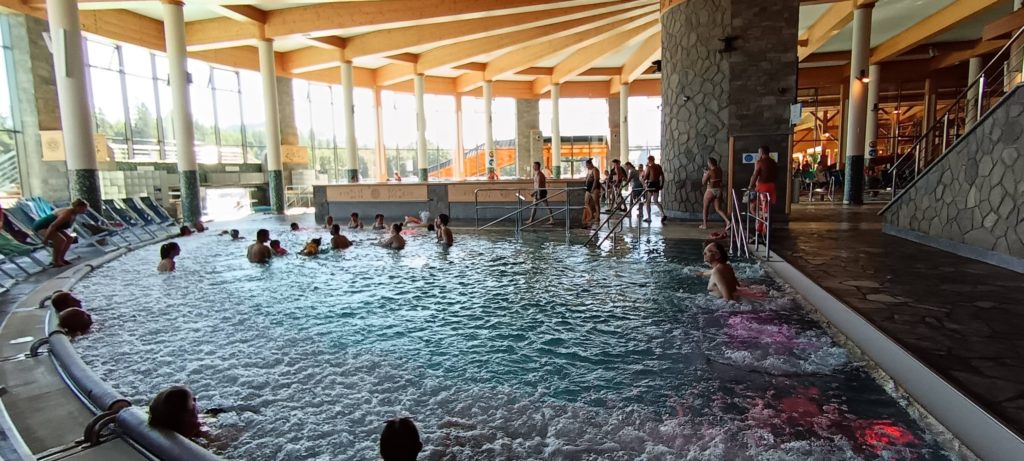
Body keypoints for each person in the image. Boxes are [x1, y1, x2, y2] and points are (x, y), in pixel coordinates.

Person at [32, 199, 89, 267]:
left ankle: (61, 259)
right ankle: (55, 261)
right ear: (79, 207)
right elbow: (52, 225)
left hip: (55, 228)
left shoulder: (74, 213)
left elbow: (64, 227)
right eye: (85, 209)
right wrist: (45, 240)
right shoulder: (67, 213)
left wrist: (71, 234)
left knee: (70, 238)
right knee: (61, 240)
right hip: (42, 226)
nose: (86, 211)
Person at [748, 146, 778, 235]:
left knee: (753, 207)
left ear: (761, 152)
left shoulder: (760, 162)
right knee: (766, 210)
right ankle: (763, 228)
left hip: (762, 187)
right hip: (771, 186)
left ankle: (761, 225)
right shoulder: (773, 162)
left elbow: (755, 175)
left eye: (759, 152)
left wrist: (750, 186)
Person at [700, 158, 729, 230]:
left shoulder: (710, 172)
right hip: (718, 190)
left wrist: (705, 174)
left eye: (708, 163)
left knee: (705, 208)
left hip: (710, 190)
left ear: (710, 163)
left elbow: (703, 182)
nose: (707, 164)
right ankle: (728, 221)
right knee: (718, 208)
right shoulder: (719, 170)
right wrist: (708, 173)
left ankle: (705, 225)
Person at [642, 156, 666, 223]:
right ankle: (663, 214)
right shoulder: (658, 166)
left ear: (649, 160)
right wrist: (662, 185)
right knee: (656, 201)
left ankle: (649, 218)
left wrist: (642, 178)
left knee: (648, 202)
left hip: (651, 184)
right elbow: (662, 176)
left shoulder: (649, 167)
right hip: (657, 184)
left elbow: (645, 177)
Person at [582, 159, 601, 229]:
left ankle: (598, 217)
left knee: (596, 203)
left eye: (587, 165)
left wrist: (593, 188)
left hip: (594, 188)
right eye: (586, 165)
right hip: (588, 188)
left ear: (590, 164)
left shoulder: (595, 170)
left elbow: (596, 179)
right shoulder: (589, 170)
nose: (587, 166)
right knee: (586, 202)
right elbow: (587, 177)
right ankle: (591, 215)